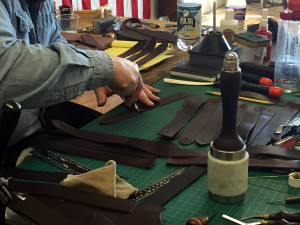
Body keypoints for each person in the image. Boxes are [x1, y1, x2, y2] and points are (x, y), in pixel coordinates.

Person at [0, 0, 160, 151]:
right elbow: (7, 69)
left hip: (37, 127)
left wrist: (93, 73)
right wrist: (101, 68)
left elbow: (52, 41)